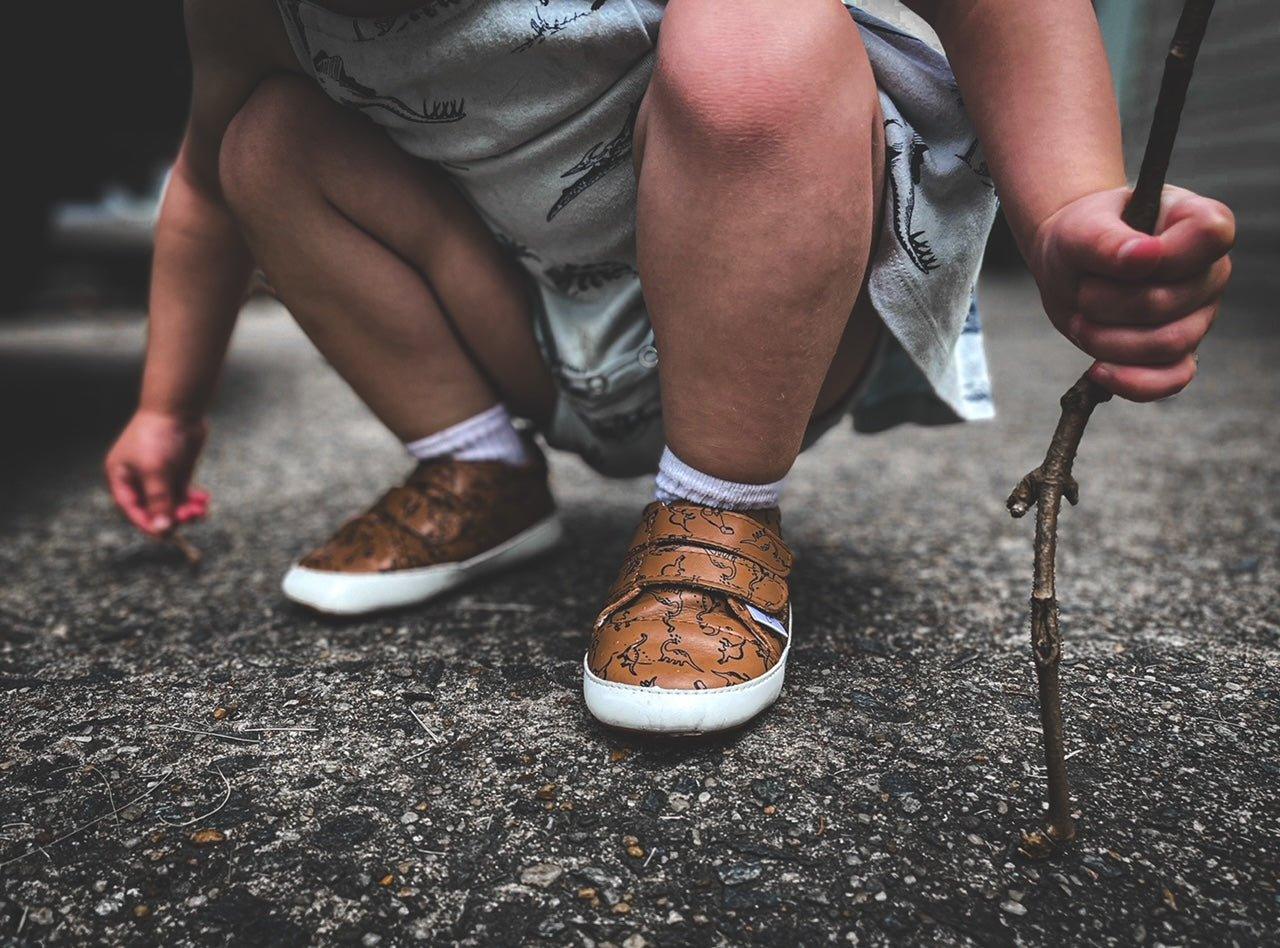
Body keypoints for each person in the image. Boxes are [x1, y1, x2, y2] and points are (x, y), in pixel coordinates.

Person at [105, 0, 1234, 735]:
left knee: (758, 24)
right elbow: (206, 185)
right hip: (535, 335)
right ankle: (473, 467)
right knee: (262, 142)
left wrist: (1066, 205)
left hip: (771, 321)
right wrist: (168, 405)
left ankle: (718, 510)